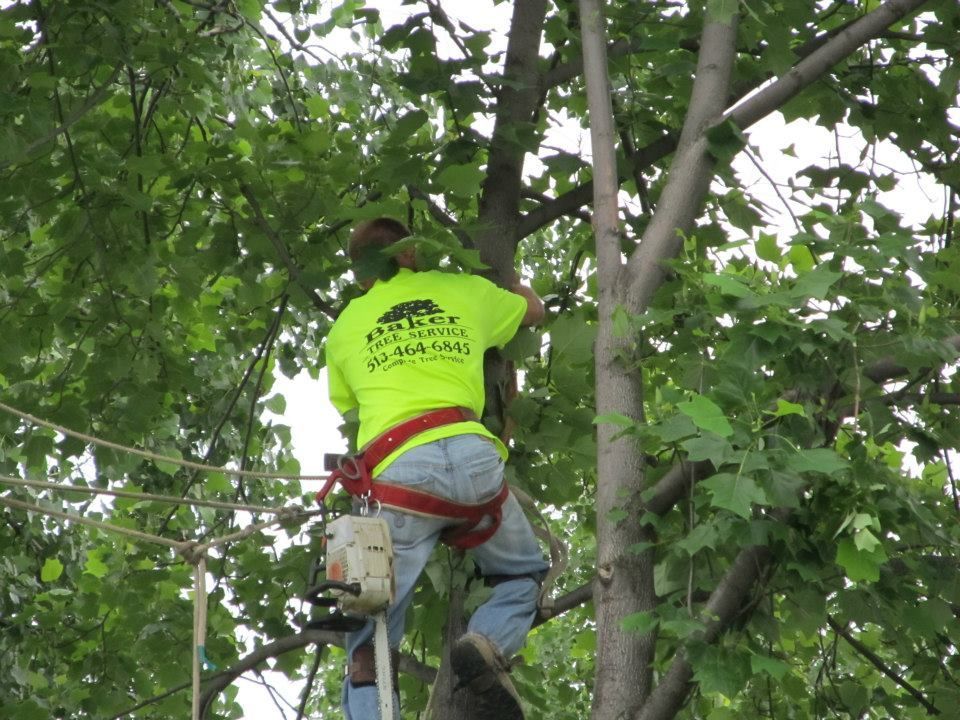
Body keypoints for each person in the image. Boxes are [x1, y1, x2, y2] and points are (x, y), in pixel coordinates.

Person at [324, 217, 549, 720]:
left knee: (371, 635)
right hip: (474, 461)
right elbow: (534, 310)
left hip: (401, 476)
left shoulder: (345, 328)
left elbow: (349, 405)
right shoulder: (463, 290)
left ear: (362, 275)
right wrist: (511, 290)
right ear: (411, 253)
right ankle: (486, 641)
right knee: (524, 575)